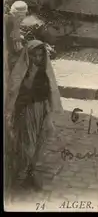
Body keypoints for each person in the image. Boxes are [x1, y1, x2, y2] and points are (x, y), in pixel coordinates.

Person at [5, 40, 63, 192]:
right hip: (27, 111)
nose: (37, 59)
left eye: (40, 56)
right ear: (28, 56)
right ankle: (20, 175)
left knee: (40, 142)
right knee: (27, 145)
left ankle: (31, 174)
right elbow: (14, 91)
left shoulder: (45, 72)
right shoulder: (22, 72)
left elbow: (51, 90)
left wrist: (49, 110)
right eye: (34, 56)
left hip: (42, 109)